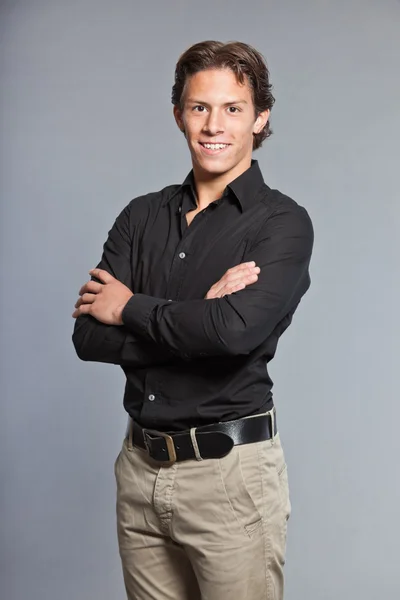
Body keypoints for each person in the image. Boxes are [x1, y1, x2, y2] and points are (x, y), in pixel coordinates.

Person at [72, 40, 314, 600]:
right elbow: (87, 335)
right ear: (179, 114)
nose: (213, 124)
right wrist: (197, 317)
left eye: (233, 108)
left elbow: (233, 335)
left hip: (230, 478)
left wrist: (130, 307)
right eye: (199, 106)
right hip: (138, 469)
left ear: (260, 117)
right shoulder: (140, 216)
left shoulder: (282, 224)